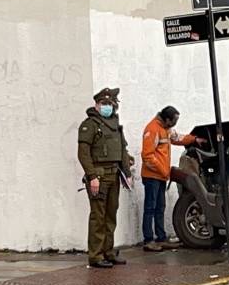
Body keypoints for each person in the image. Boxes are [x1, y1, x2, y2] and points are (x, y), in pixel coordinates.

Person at [77, 88, 134, 268]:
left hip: (115, 175)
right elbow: (83, 154)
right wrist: (92, 176)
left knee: (110, 216)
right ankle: (95, 255)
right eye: (104, 104)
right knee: (98, 217)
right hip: (99, 177)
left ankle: (108, 251)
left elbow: (122, 151)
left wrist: (128, 173)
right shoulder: (90, 125)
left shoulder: (115, 124)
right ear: (97, 104)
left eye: (110, 104)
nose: (107, 107)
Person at [141, 106, 205, 252]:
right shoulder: (152, 129)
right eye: (174, 121)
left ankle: (161, 238)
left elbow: (178, 138)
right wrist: (163, 170)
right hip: (152, 176)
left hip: (161, 176)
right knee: (150, 208)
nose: (174, 124)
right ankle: (148, 240)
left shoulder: (166, 129)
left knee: (160, 207)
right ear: (167, 119)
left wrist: (194, 139)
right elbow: (147, 156)